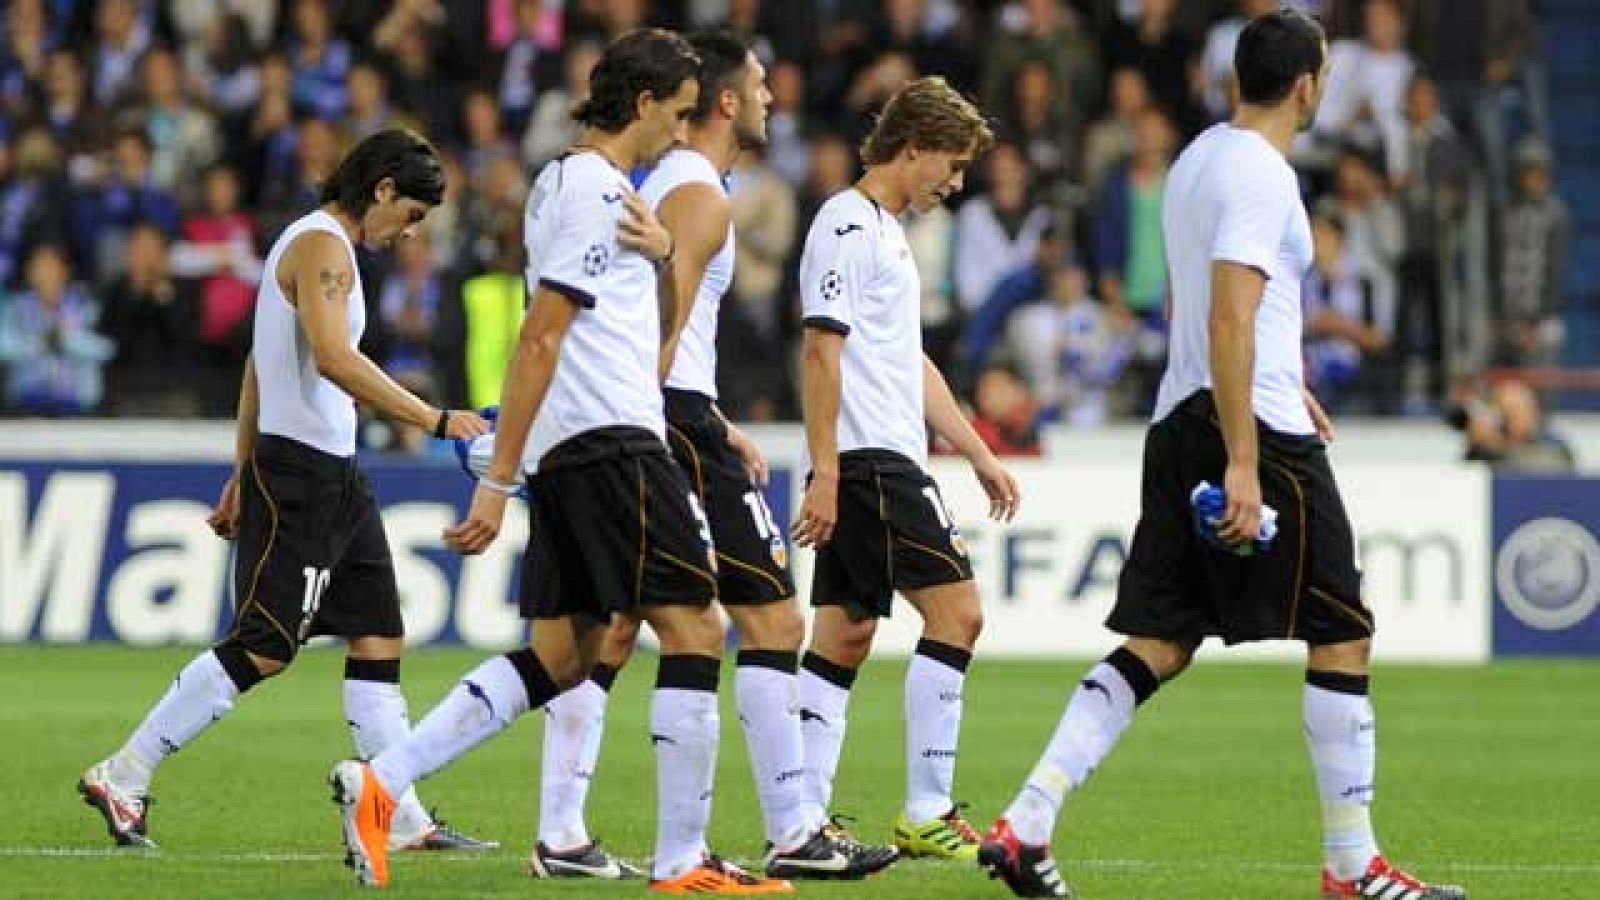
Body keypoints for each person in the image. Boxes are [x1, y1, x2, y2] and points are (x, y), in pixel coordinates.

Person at [978, 12, 1468, 900]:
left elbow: (1211, 307)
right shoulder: (1263, 174)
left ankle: (1028, 820)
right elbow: (1230, 315)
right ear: (1309, 84)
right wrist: (1245, 459)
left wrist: (1271, 379)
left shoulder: (1199, 158)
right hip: (1252, 429)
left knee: (1159, 640)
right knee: (1343, 629)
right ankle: (1352, 867)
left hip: (1183, 415)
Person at [324, 30, 791, 894]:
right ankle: (686, 861)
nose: (684, 132)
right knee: (697, 629)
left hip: (578, 446)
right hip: (611, 438)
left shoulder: (593, 192)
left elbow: (640, 327)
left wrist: (659, 261)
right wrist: (498, 479)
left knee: (565, 655)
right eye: (680, 114)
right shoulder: (587, 188)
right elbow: (542, 334)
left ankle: (383, 784)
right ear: (644, 104)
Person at [527, 32, 899, 883]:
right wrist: (661, 424)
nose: (772, 99)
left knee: (611, 632)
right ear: (725, 102)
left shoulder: (682, 184)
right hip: (658, 418)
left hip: (674, 415)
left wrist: (714, 418)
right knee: (770, 620)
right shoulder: (696, 192)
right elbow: (658, 330)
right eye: (761, 86)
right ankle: (792, 830)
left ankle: (561, 828)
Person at [77, 128, 497, 856]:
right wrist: (435, 419)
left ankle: (396, 813)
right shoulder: (323, 249)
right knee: (266, 646)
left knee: (378, 634)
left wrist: (241, 469)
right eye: (414, 214)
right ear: (384, 190)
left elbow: (258, 370)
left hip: (331, 473)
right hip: (301, 474)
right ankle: (126, 771)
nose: (411, 233)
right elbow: (334, 358)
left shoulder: (316, 248)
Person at [790, 76, 1022, 864]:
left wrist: (978, 450)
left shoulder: (885, 232)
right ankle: (924, 809)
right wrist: (826, 469)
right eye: (949, 166)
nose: (954, 185)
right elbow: (820, 349)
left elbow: (905, 359)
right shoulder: (848, 226)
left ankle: (803, 820)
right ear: (913, 146)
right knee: (958, 615)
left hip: (880, 453)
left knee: (845, 634)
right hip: (870, 462)